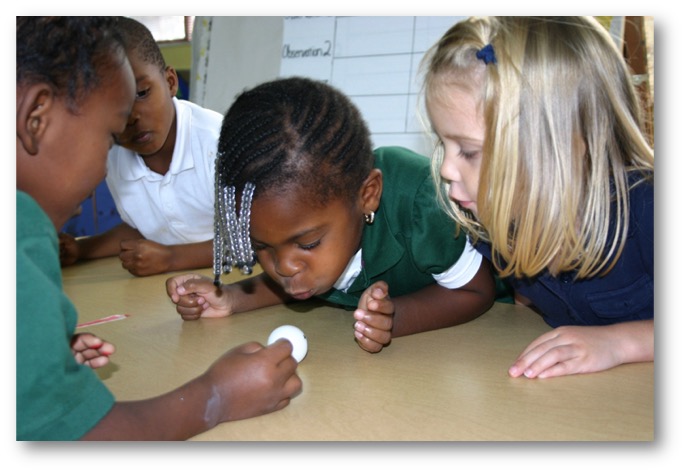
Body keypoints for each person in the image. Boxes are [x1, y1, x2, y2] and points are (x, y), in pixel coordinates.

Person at [17, 16, 301, 441]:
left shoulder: (222, 142)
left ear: (169, 81)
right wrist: (218, 396)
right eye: (110, 137)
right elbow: (80, 439)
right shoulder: (20, 233)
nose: (102, 169)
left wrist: (35, 366)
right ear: (36, 116)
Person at [166, 77, 499, 354]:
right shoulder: (311, 239)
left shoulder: (420, 200)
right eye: (261, 247)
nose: (284, 267)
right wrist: (232, 299)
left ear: (367, 196)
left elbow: (476, 291)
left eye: (308, 244)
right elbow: (293, 281)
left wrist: (394, 319)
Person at [421, 16, 654, 378]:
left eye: (467, 151)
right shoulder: (497, 220)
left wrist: (620, 343)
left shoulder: (650, 207)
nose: (446, 169)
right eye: (443, 143)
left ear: (561, 147)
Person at [59, 16, 220, 277]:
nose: (131, 116)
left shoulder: (216, 144)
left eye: (142, 93)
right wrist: (82, 250)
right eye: (114, 104)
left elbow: (255, 241)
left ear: (170, 82)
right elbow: (147, 226)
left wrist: (170, 259)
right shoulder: (114, 157)